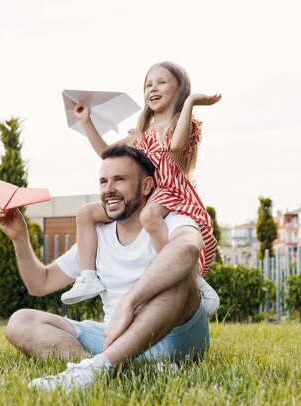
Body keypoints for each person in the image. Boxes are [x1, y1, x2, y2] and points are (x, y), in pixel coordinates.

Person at [0, 144, 209, 391]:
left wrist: (129, 303)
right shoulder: (97, 237)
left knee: (177, 278)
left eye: (119, 180)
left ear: (146, 186)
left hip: (175, 339)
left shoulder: (172, 219)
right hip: (113, 337)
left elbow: (188, 249)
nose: (108, 190)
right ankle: (100, 368)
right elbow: (40, 283)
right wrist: (19, 237)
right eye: (103, 181)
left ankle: (102, 366)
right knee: (20, 322)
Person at [60, 61, 220, 313]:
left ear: (179, 89)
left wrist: (190, 102)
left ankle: (194, 280)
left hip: (169, 190)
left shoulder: (184, 122)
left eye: (161, 82)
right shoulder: (141, 132)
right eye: (148, 84)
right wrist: (86, 121)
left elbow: (176, 146)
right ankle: (89, 277)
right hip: (145, 194)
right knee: (85, 213)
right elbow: (107, 153)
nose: (152, 88)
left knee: (149, 215)